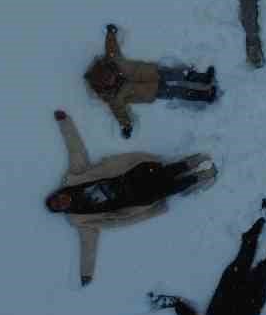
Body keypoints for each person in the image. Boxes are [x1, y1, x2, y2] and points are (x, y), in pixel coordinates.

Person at [45, 110, 215, 286]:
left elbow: (75, 150)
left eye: (57, 198)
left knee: (165, 172)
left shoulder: (74, 179)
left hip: (130, 175)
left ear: (59, 192)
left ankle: (193, 162)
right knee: (169, 188)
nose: (61, 201)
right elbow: (88, 245)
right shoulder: (79, 219)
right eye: (59, 206)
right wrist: (86, 273)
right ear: (62, 210)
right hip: (135, 199)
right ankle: (200, 176)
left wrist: (64, 122)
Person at [85, 24, 217, 139]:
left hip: (152, 72)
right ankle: (205, 96)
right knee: (178, 91)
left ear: (107, 68)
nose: (112, 78)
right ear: (104, 85)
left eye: (110, 75)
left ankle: (204, 78)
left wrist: (111, 33)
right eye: (108, 80)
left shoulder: (113, 60)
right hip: (152, 91)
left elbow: (111, 47)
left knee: (179, 74)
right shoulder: (113, 97)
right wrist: (126, 126)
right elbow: (120, 113)